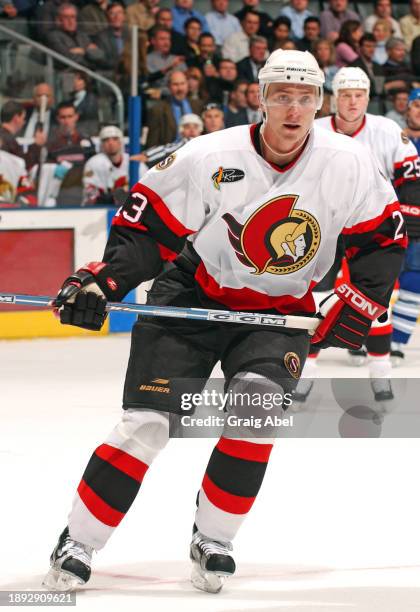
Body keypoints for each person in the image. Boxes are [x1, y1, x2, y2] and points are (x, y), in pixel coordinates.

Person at [43, 49, 405, 595]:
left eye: (305, 98)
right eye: (281, 95)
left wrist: (356, 302)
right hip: (193, 294)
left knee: (253, 416)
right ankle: (79, 541)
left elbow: (383, 238)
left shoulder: (348, 162)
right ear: (259, 97)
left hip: (279, 313)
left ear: (319, 104)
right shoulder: (208, 154)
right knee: (148, 426)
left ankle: (213, 538)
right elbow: (148, 229)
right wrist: (104, 280)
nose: (293, 108)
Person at [296, 67, 417, 404]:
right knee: (315, 300)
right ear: (334, 98)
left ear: (368, 97)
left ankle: (381, 374)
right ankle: (305, 374)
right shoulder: (313, 129)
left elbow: (411, 177)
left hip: (372, 229)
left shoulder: (387, 130)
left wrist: (412, 213)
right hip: (323, 226)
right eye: (346, 95)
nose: (352, 102)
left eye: (359, 95)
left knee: (376, 303)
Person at [390, 88, 420, 362]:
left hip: (419, 229)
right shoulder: (392, 139)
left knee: (414, 282)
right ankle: (367, 339)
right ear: (407, 108)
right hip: (391, 222)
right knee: (378, 282)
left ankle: (397, 342)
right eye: (417, 105)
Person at [82, 125, 139, 206]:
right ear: (101, 144)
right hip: (98, 210)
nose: (111, 143)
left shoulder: (133, 162)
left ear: (120, 142)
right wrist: (111, 198)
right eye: (106, 140)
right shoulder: (93, 163)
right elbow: (90, 193)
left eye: (115, 139)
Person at [145, 70, 204, 147]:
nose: (180, 88)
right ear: (169, 86)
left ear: (187, 84)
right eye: (175, 84)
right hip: (170, 155)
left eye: (182, 84)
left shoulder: (199, 105)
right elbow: (152, 141)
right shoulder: (157, 110)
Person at [131, 112, 204, 166]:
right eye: (187, 127)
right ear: (181, 131)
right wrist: (148, 155)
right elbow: (166, 149)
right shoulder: (185, 143)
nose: (192, 130)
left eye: (195, 127)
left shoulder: (207, 143)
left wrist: (147, 156)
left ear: (200, 129)